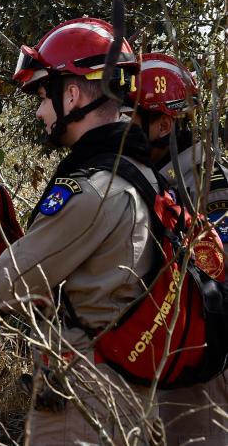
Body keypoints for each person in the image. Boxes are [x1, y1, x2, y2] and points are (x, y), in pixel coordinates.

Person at [0, 18, 161, 444]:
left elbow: (4, 286)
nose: (42, 111)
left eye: (45, 96)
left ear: (72, 93)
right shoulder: (143, 172)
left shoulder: (91, 190)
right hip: (130, 380)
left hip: (83, 392)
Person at [126, 53, 228, 445]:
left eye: (132, 121)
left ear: (163, 124)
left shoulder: (204, 185)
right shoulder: (168, 180)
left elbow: (215, 279)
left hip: (202, 364)